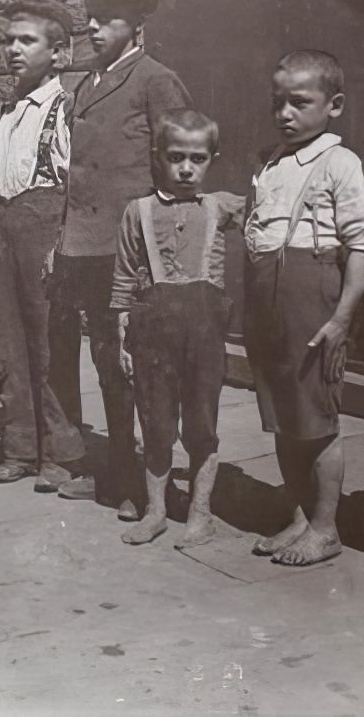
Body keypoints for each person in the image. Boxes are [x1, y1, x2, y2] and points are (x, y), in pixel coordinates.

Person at [48, 0, 191, 520]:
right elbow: (74, 173)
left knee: (141, 363)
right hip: (86, 248)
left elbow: (180, 166)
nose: (91, 26)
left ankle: (151, 484)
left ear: (136, 25)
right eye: (90, 15)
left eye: (106, 17)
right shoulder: (84, 85)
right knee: (106, 359)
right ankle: (120, 472)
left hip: (133, 250)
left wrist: (166, 243)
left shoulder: (156, 80)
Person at [242, 50, 364, 566]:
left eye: (300, 102)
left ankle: (325, 525)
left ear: (333, 105)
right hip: (267, 298)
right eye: (278, 102)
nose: (285, 114)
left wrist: (342, 317)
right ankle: (299, 513)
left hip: (311, 296)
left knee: (315, 418)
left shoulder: (340, 162)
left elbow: (360, 246)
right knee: (282, 417)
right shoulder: (271, 160)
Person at [111, 109, 245, 546]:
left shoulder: (219, 206)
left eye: (198, 158)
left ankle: (200, 512)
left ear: (212, 158)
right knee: (155, 422)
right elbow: (124, 276)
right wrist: (123, 337)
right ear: (157, 158)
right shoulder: (139, 211)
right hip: (153, 333)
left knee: (200, 424)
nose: (187, 168)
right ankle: (156, 510)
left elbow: (271, 218)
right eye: (176, 157)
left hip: (204, 333)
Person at [0, 0, 86, 492]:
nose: (13, 50)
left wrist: (60, 243)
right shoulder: (0, 112)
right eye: (9, 41)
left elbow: (73, 184)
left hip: (44, 236)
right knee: (8, 345)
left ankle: (62, 453)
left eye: (27, 41)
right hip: (3, 234)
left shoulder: (64, 109)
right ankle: (20, 445)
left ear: (59, 54)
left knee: (49, 348)